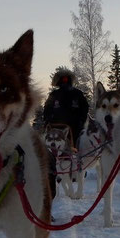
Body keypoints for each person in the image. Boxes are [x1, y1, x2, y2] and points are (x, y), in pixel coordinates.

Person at [42, 68, 90, 198]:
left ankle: (78, 169)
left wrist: (81, 119)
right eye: (62, 80)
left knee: (78, 147)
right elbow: (46, 108)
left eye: (66, 80)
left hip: (75, 127)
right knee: (52, 147)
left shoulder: (77, 94)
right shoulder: (54, 95)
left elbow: (85, 108)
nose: (64, 82)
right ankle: (54, 168)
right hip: (56, 128)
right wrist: (47, 119)